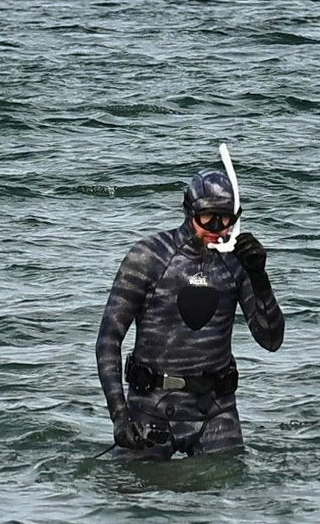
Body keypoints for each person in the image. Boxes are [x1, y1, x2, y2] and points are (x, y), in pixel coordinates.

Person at [96, 167, 283, 458]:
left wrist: (259, 278)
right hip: (150, 408)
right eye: (206, 217)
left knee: (231, 491)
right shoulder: (149, 257)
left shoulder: (238, 264)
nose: (215, 226)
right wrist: (120, 415)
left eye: (225, 218)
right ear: (188, 211)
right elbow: (109, 339)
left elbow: (271, 340)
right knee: (129, 492)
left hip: (215, 410)